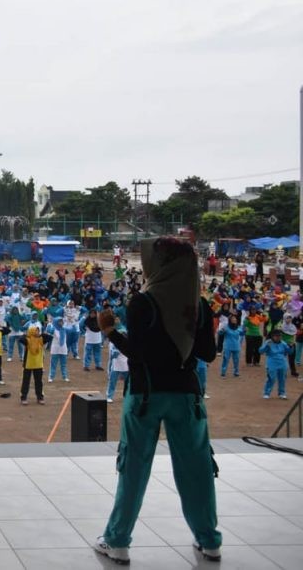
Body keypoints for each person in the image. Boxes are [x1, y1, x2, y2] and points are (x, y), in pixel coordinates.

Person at [95, 237, 221, 565]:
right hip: (188, 397)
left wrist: (110, 332)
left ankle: (118, 541)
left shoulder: (143, 303)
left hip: (146, 396)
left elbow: (140, 354)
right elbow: (208, 352)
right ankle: (209, 541)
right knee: (197, 469)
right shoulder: (200, 305)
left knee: (134, 469)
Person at [258, 329, 291, 400]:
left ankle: (282, 393)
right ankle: (266, 393)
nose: (278, 337)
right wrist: (266, 346)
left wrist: (290, 347)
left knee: (282, 378)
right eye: (277, 336)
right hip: (272, 363)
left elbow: (289, 352)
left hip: (282, 363)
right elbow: (261, 351)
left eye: (279, 336)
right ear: (272, 336)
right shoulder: (268, 342)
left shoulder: (283, 343)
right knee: (271, 378)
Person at [20, 324, 46, 405]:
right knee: (26, 381)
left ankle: (40, 397)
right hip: (28, 364)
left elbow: (49, 337)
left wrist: (40, 335)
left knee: (39, 381)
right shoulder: (27, 340)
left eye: (38, 331)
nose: (37, 332)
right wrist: (27, 335)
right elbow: (21, 339)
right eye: (35, 330)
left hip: (38, 364)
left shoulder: (41, 339)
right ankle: (23, 397)